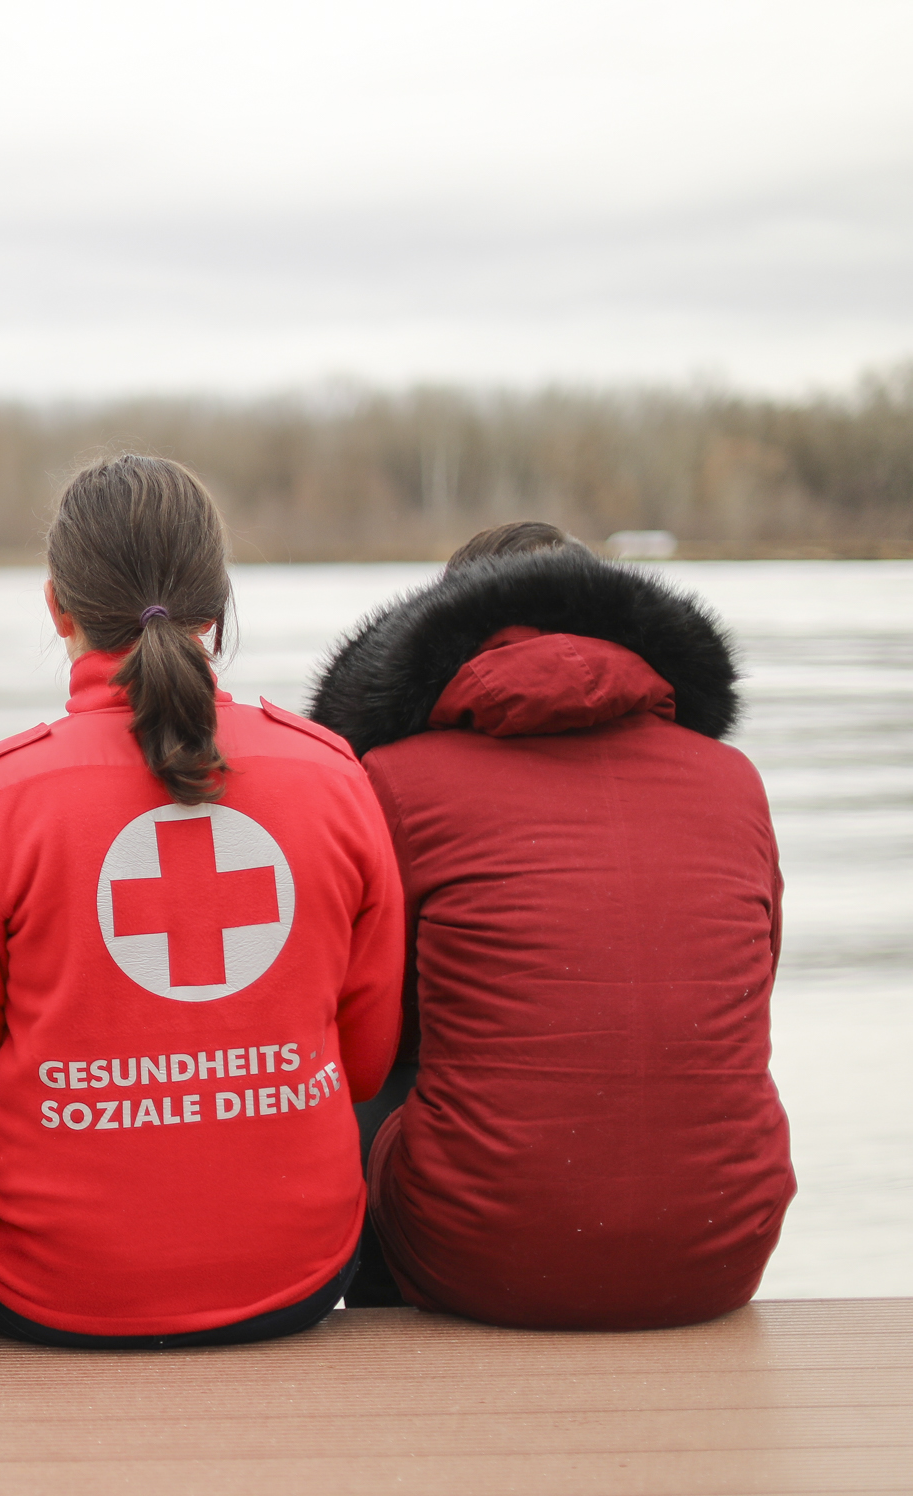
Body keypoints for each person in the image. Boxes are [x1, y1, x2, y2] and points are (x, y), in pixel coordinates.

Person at [0, 455, 403, 1349]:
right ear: (220, 604)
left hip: (45, 1287)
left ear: (57, 606)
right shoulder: (333, 774)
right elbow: (365, 1067)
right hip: (297, 1275)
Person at [307, 523, 794, 1328]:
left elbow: (363, 1025)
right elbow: (756, 982)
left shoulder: (394, 779)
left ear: (440, 632)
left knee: (362, 1049)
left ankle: (384, 1316)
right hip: (723, 1248)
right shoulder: (734, 779)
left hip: (482, 1260)